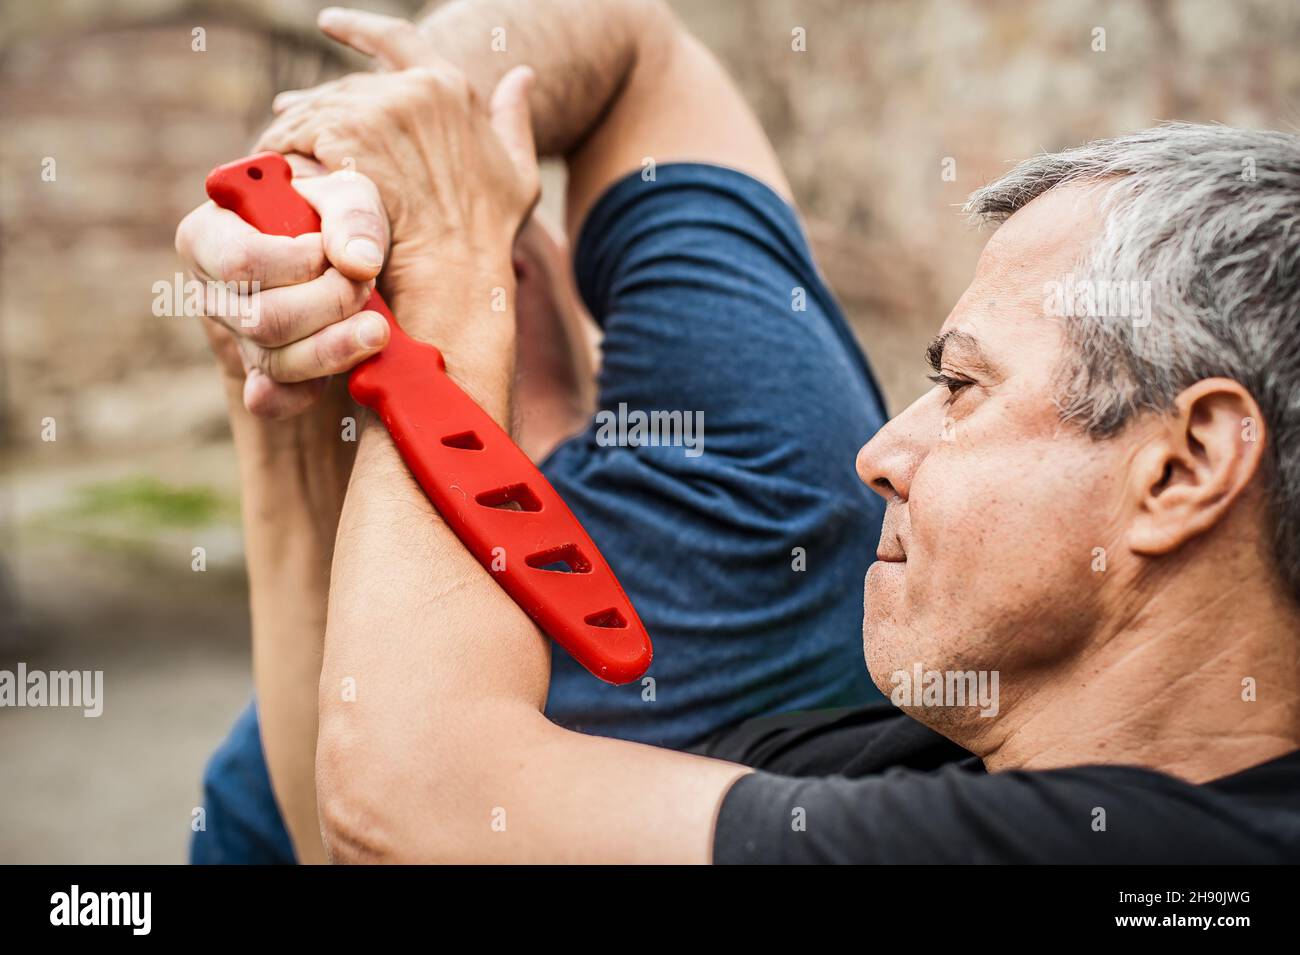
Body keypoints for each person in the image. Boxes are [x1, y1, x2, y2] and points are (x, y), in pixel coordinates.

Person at [184, 3, 1300, 863]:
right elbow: (364, 823)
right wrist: (337, 218)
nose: (879, 454)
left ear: (1187, 464)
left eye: (960, 386)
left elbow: (411, 807)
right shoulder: (922, 749)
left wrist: (449, 260)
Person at [177, 0, 886, 863]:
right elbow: (632, 44)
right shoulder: (754, 494)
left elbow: (351, 814)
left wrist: (303, 183)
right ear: (515, 259)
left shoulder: (280, 757)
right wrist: (396, 158)